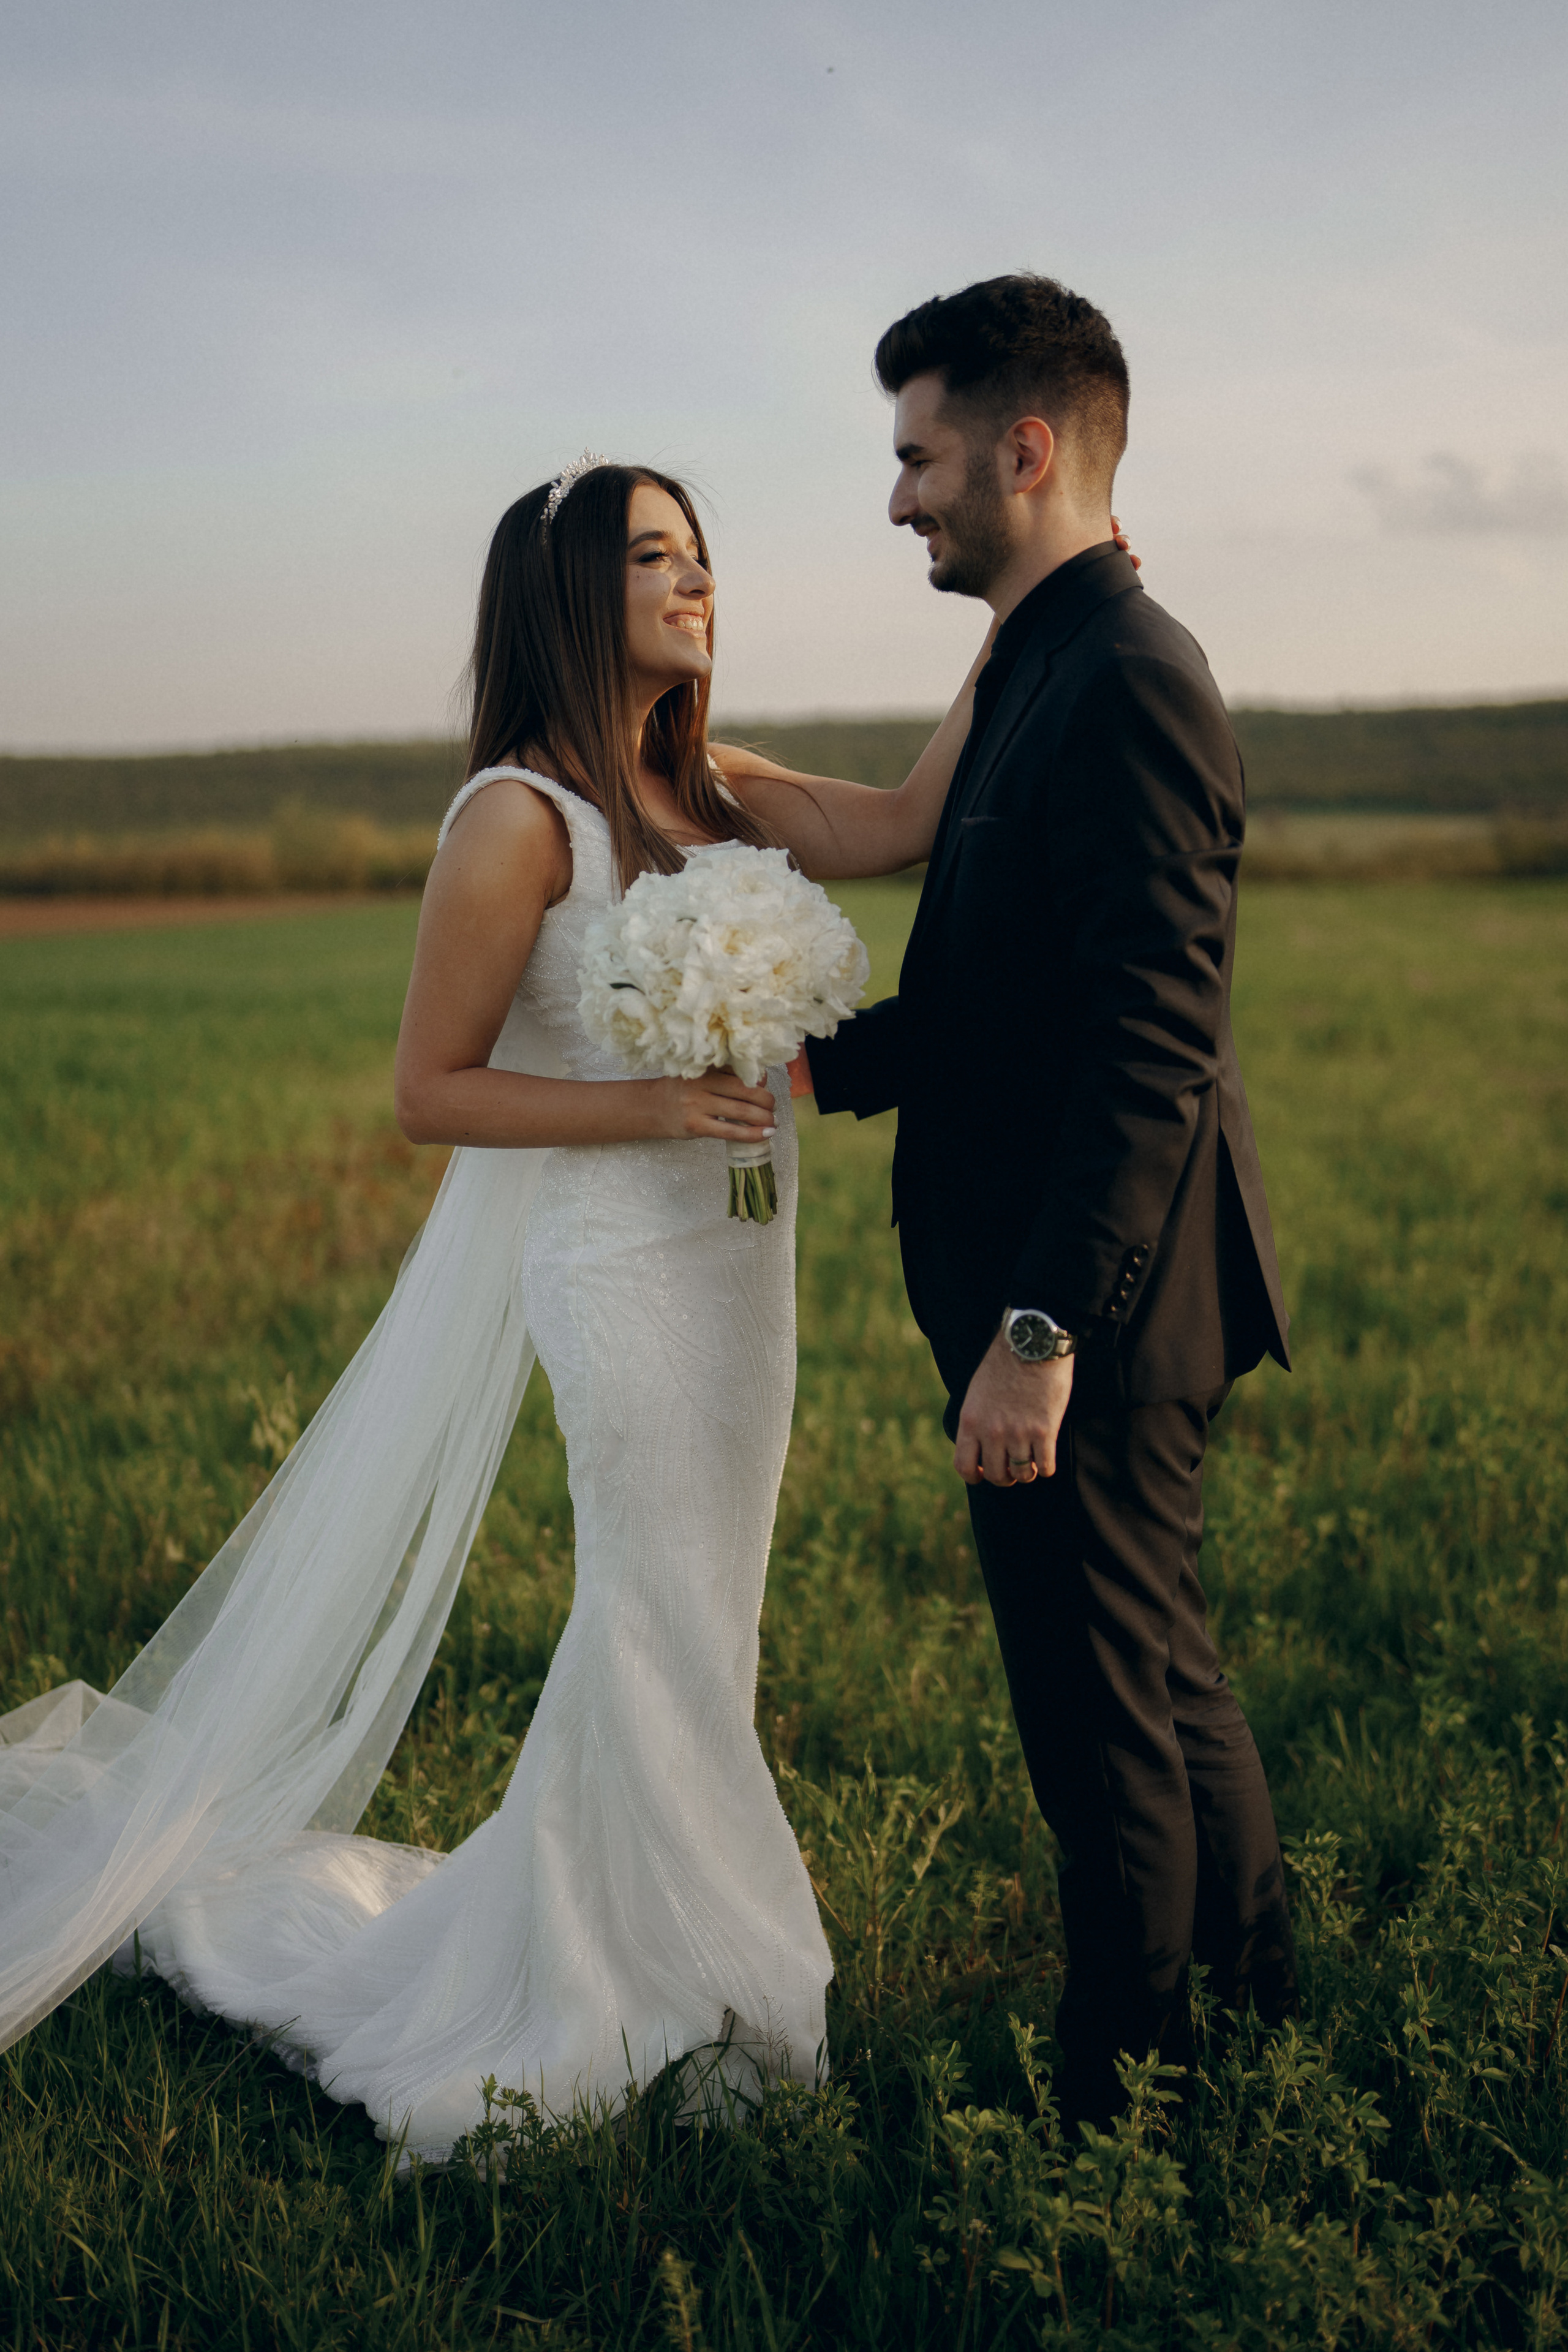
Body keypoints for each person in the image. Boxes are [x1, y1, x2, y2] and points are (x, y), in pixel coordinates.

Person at [0, 457, 990, 2158]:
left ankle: (628, 1946)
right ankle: (694, 1997)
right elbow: (427, 1089)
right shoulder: (519, 821)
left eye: (702, 554)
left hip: (742, 1257)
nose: (698, 583)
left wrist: (1029, 610)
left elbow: (905, 817)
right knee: (653, 1609)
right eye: (657, 557)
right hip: (616, 1259)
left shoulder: (717, 791)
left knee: (705, 1616)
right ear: (567, 597)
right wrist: (650, 1106)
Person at [725, 275, 1298, 2130]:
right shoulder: (1042, 663)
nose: (899, 500)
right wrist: (814, 1070)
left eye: (918, 456)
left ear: (1024, 450)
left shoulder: (1127, 680)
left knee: (1100, 1727)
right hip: (1094, 1287)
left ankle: (1114, 2131)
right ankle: (1256, 2014)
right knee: (1165, 1675)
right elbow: (996, 1001)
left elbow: (1153, 1043)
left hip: (1093, 1306)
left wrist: (1040, 1334)